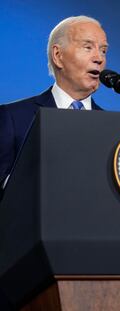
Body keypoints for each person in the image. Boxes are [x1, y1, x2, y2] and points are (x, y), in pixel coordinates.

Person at [0, 15, 108, 188]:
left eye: (103, 50)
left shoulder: (110, 125)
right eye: (88, 47)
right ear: (58, 55)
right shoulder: (13, 117)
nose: (99, 58)